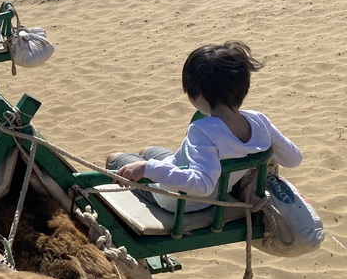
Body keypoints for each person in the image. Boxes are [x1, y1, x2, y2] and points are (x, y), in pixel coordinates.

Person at [107, 41, 303, 212]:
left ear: (198, 94)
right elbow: (294, 158)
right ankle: (147, 160)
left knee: (114, 158)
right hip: (211, 185)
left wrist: (146, 169)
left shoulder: (203, 130)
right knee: (147, 150)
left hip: (178, 200)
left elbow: (202, 185)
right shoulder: (260, 121)